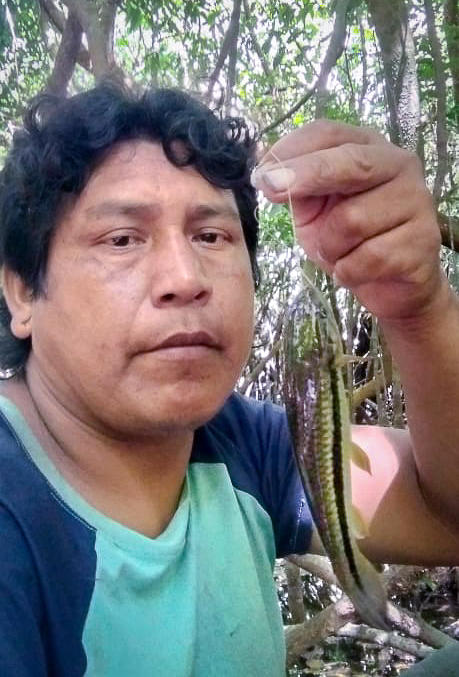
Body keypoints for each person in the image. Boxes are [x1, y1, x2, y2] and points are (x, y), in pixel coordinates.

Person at [0, 82, 457, 677]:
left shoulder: (243, 443)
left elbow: (444, 509)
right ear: (22, 292)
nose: (185, 277)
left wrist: (421, 311)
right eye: (122, 239)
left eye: (211, 236)